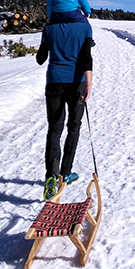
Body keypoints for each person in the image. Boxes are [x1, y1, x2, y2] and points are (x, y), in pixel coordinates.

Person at [36, 15, 94, 200]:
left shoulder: (49, 28)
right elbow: (86, 58)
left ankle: (51, 177)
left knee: (54, 129)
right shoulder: (84, 28)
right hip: (77, 83)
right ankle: (65, 173)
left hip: (54, 82)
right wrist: (89, 83)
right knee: (73, 127)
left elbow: (40, 59)